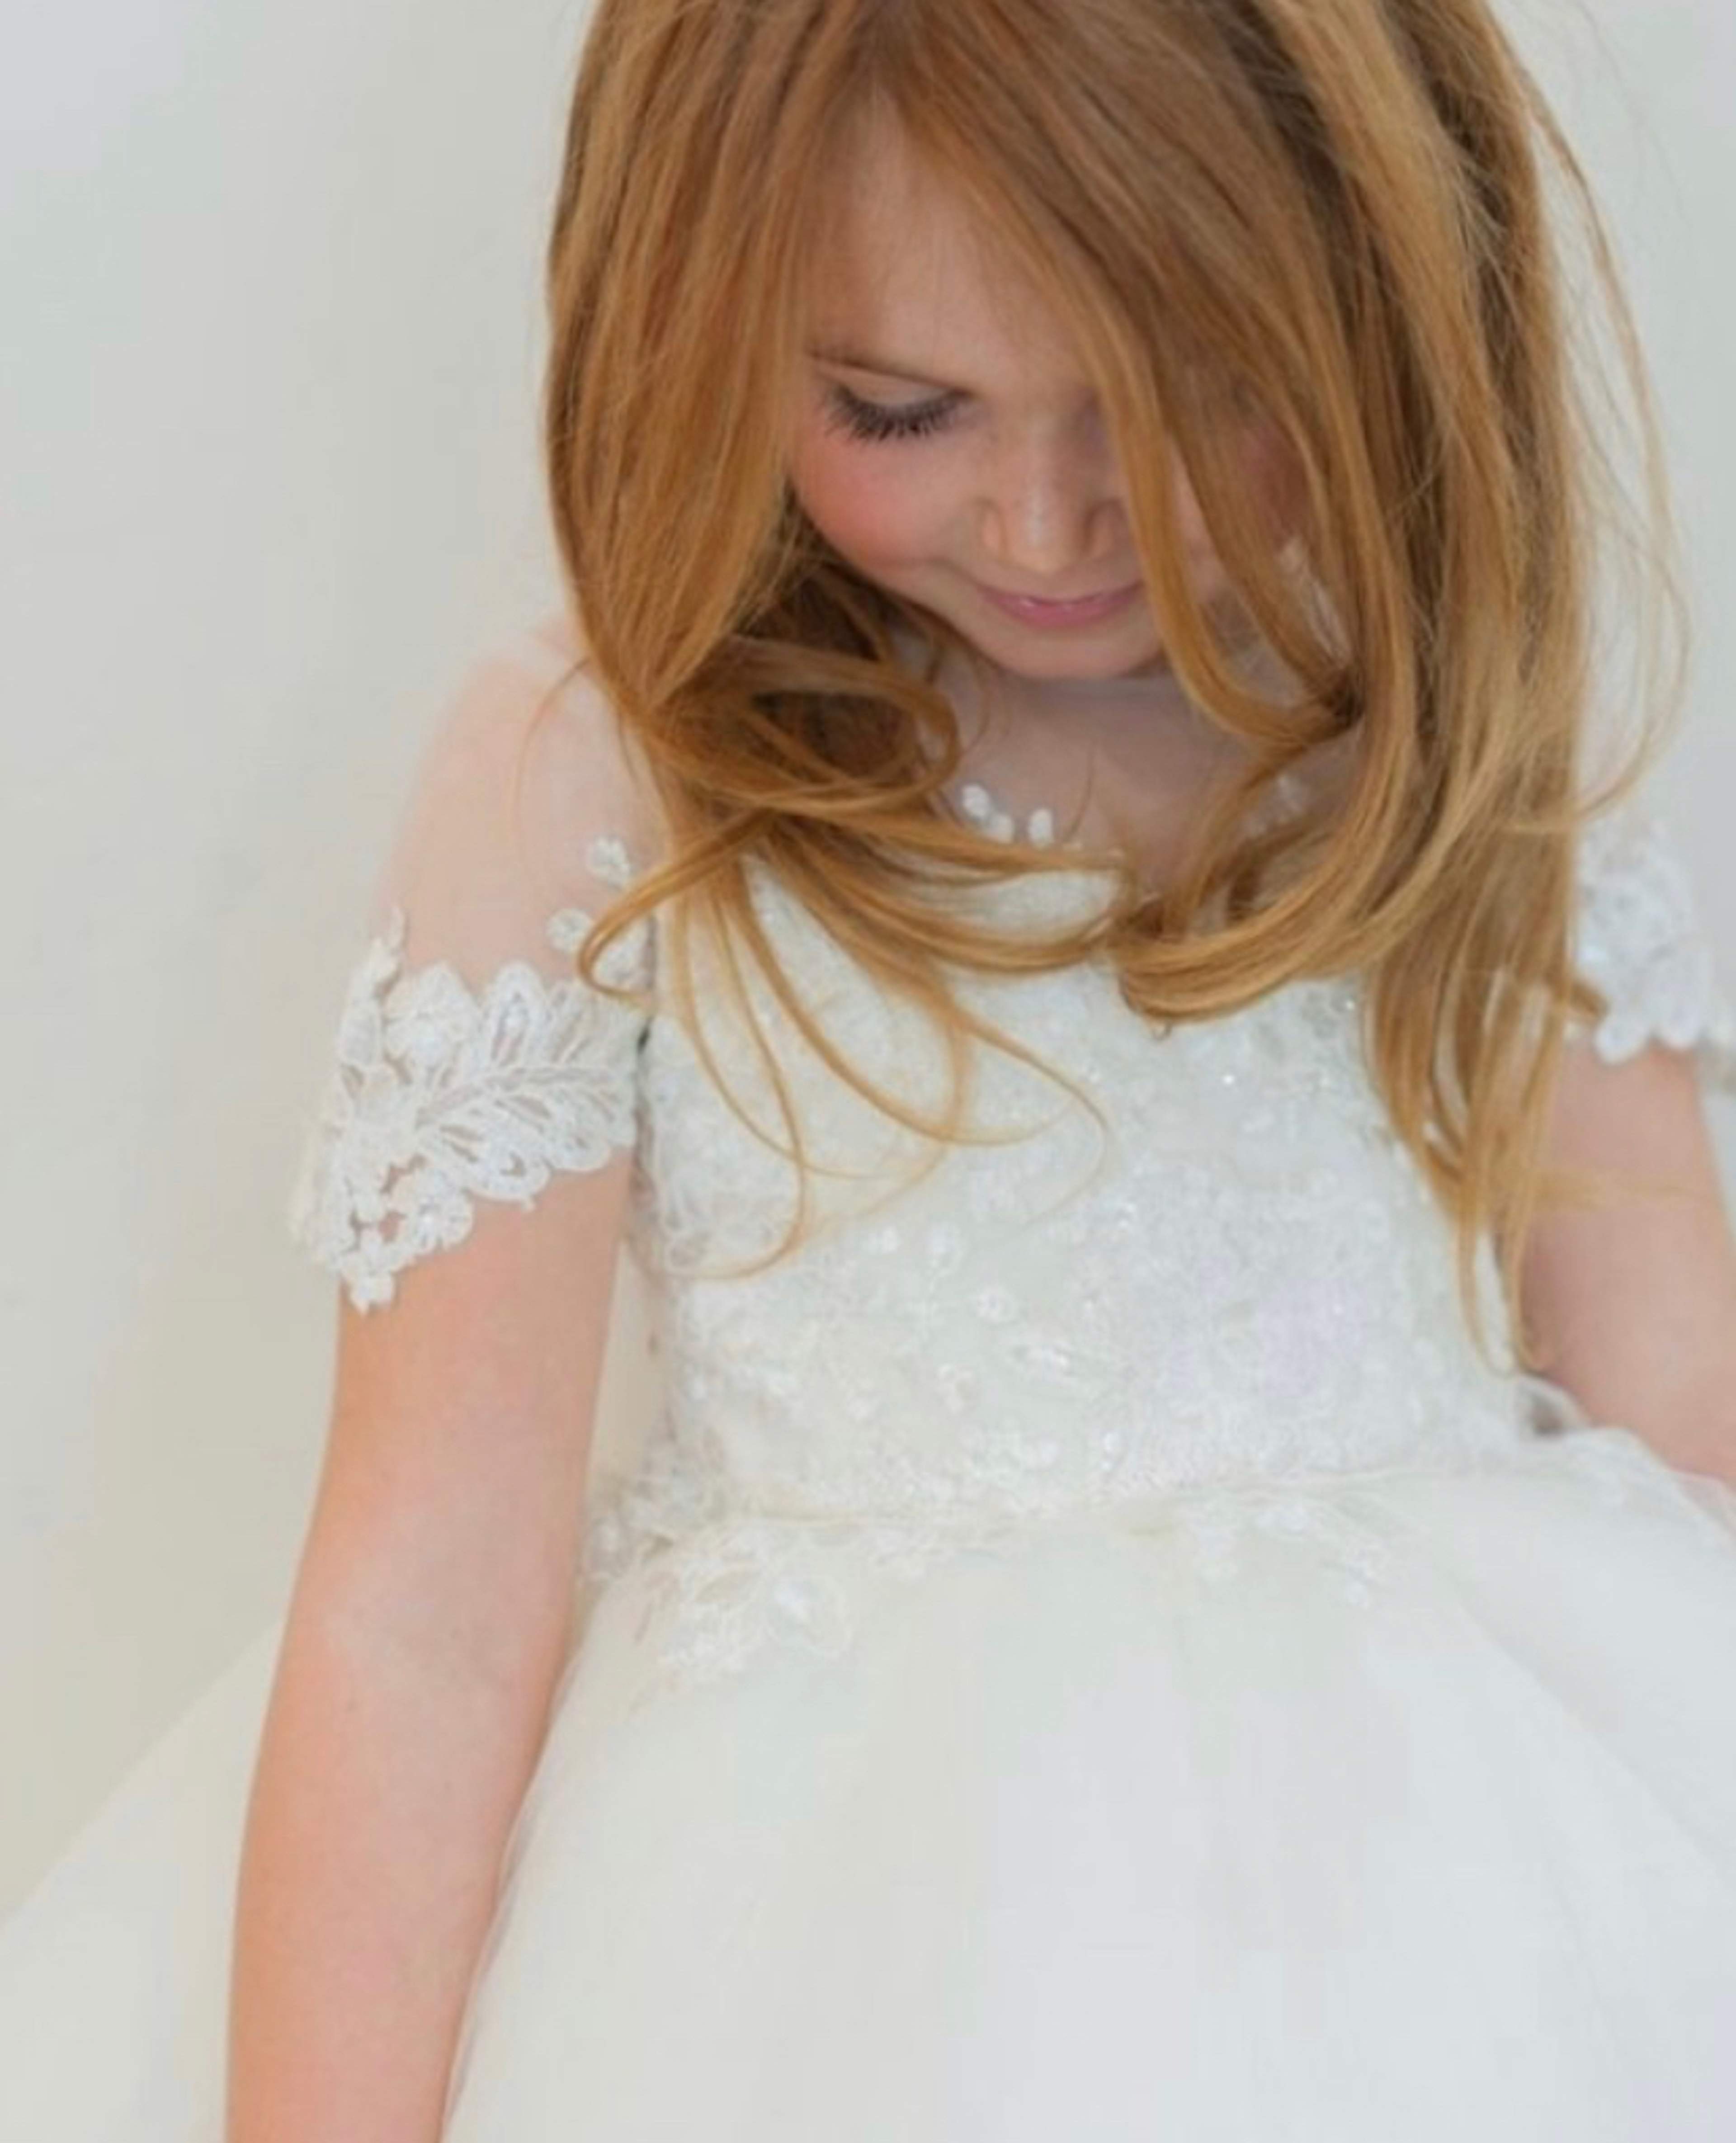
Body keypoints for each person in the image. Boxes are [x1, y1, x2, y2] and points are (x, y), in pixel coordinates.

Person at [5, 1, 1736, 2136]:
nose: (1049, 520)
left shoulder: (1443, 753)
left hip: (1461, 1928)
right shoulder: (607, 788)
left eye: (1189, 393)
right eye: (903, 408)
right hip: (822, 1960)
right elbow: (429, 1604)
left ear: (1378, 296)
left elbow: (1689, 1446)